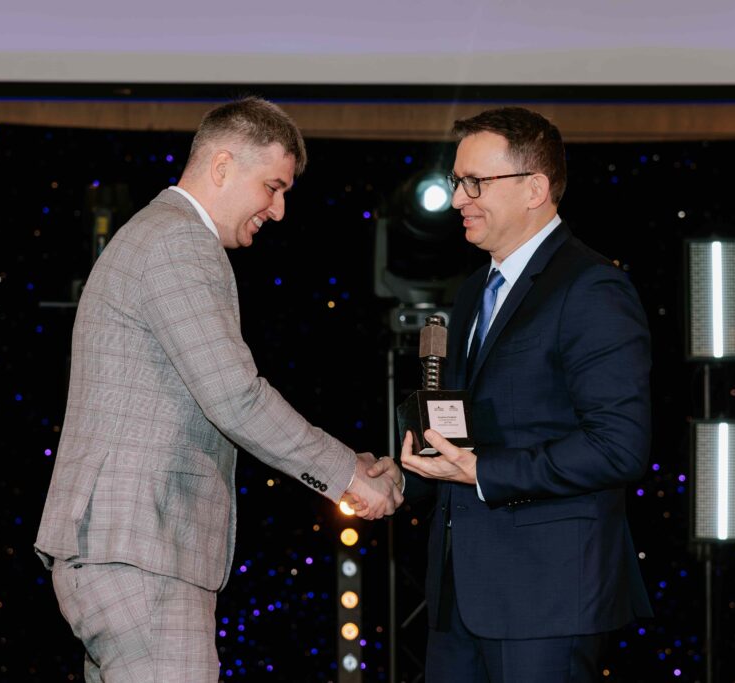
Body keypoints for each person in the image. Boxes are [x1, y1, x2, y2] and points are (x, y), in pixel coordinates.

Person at [34, 96, 403, 682]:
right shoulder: (177, 241)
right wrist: (348, 476)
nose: (279, 210)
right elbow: (235, 396)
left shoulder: (155, 236)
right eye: (273, 187)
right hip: (142, 549)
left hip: (126, 551)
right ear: (223, 166)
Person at [372, 106, 653, 682]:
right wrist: (403, 477)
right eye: (457, 181)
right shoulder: (475, 289)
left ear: (535, 189)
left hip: (546, 599)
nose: (458, 199)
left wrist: (483, 472)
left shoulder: (592, 288)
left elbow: (618, 447)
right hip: (458, 596)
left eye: (475, 182)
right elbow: (465, 431)